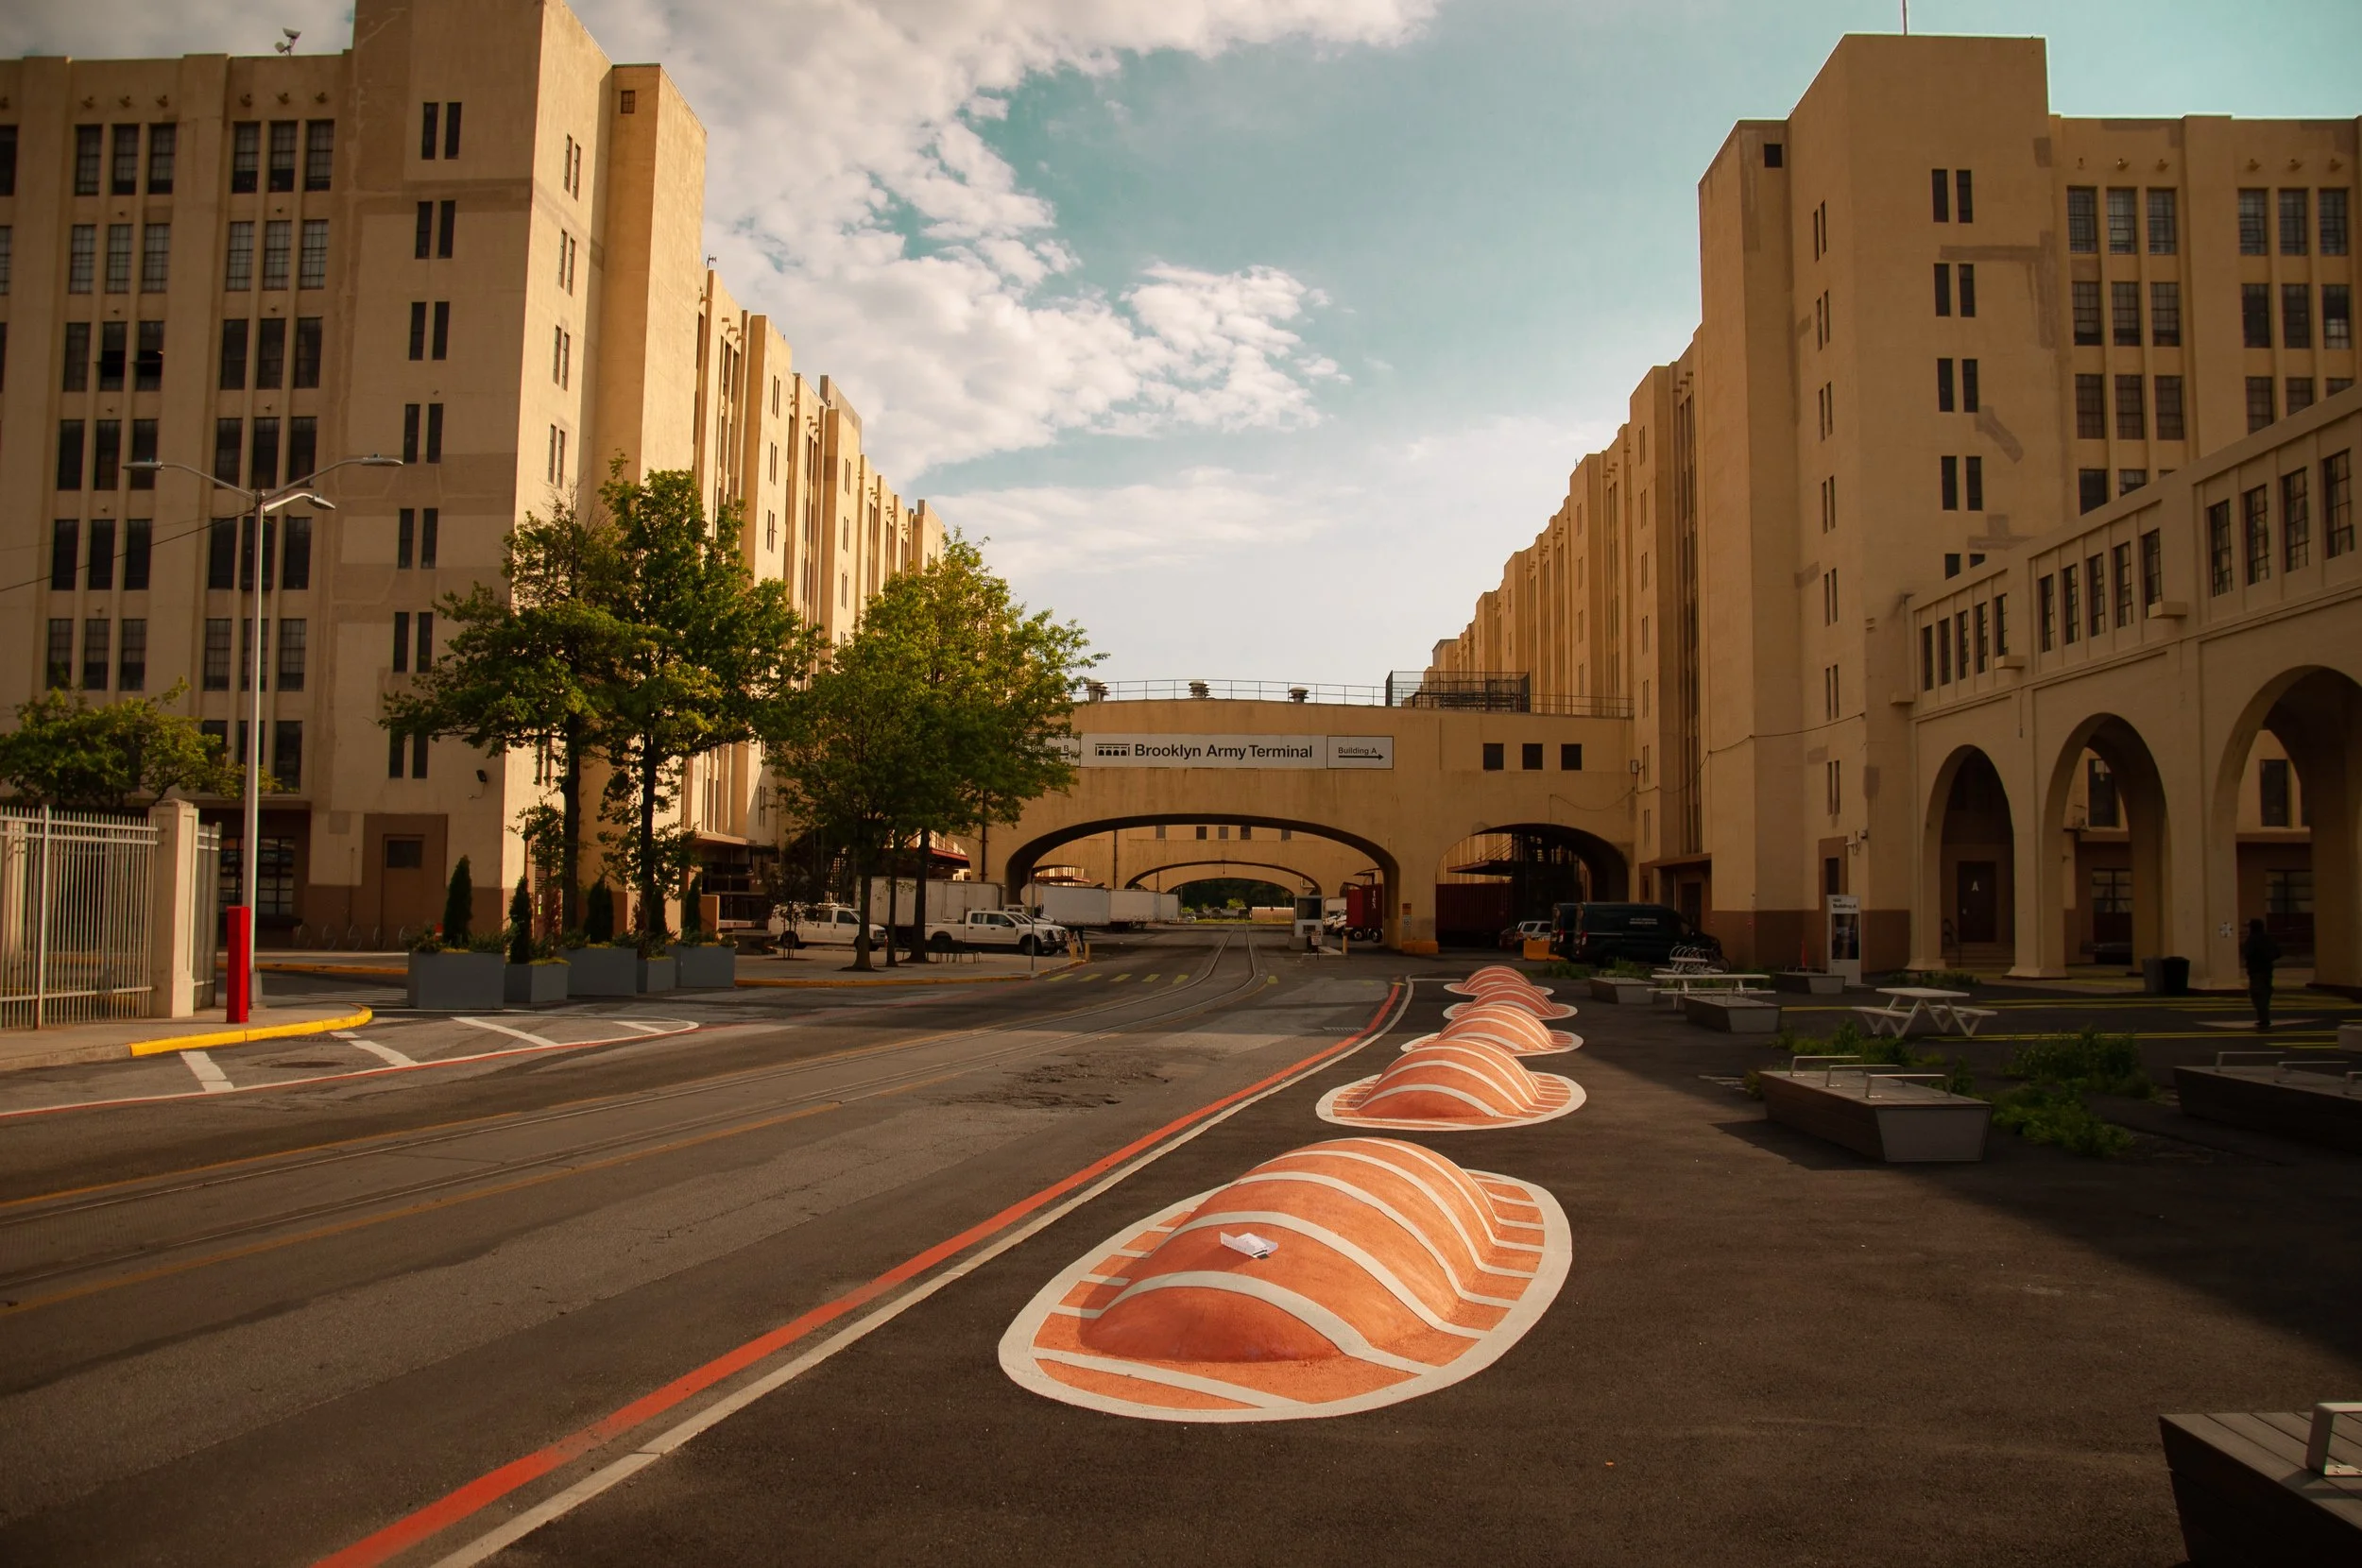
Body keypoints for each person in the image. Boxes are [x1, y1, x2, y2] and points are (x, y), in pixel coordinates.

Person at [2241, 917, 2282, 1031]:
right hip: (2267, 970)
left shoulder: (2252, 940)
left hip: (2255, 971)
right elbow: (2278, 953)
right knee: (2265, 994)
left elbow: (2248, 953)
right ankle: (2264, 1018)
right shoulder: (2268, 938)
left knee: (2257, 995)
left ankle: (2263, 1019)